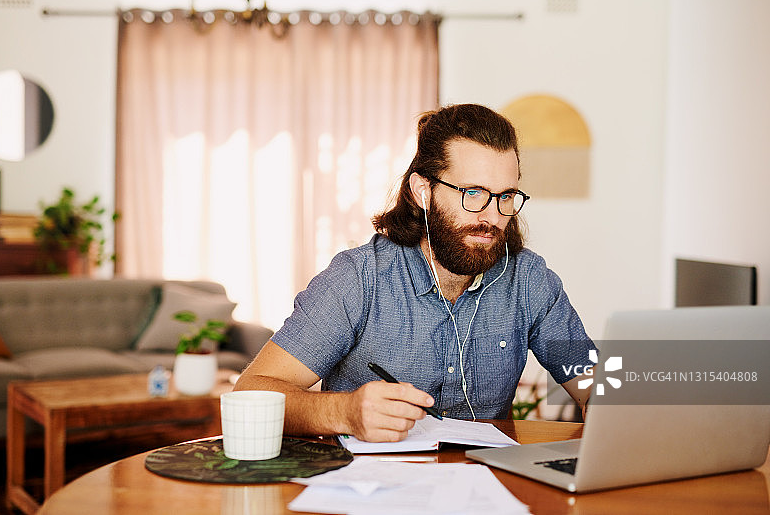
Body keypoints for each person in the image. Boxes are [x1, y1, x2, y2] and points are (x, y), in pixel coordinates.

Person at [234, 103, 595, 442]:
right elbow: (249, 393)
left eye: (505, 196)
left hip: (486, 489)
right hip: (368, 492)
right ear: (423, 191)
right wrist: (343, 411)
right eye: (473, 193)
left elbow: (598, 384)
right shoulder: (358, 279)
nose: (492, 216)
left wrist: (611, 404)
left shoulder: (530, 280)